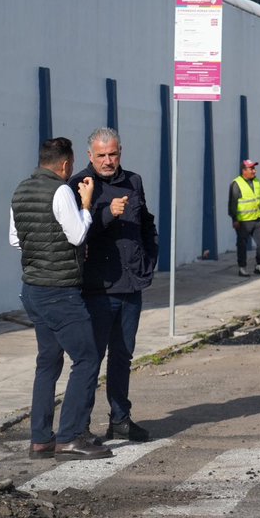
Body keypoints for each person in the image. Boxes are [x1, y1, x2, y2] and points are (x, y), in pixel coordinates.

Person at [10, 137, 113, 460]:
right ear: (66, 165)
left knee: (48, 362)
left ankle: (40, 439)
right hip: (60, 291)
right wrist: (86, 204)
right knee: (86, 358)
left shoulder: (20, 190)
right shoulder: (61, 191)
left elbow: (15, 240)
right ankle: (69, 436)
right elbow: (78, 234)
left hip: (33, 289)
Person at [71, 127, 157, 442]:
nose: (108, 161)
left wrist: (150, 258)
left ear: (120, 152)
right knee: (90, 358)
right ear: (90, 156)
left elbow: (146, 222)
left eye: (113, 154)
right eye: (102, 155)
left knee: (122, 356)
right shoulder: (80, 184)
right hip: (97, 289)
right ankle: (79, 427)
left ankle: (120, 419)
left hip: (131, 285)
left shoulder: (133, 181)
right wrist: (107, 213)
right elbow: (76, 235)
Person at [228, 158, 260, 275]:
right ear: (244, 170)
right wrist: (234, 219)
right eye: (251, 169)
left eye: (254, 168)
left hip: (257, 219)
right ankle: (242, 267)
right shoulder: (236, 184)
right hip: (243, 222)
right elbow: (232, 204)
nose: (254, 171)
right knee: (242, 245)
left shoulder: (257, 182)